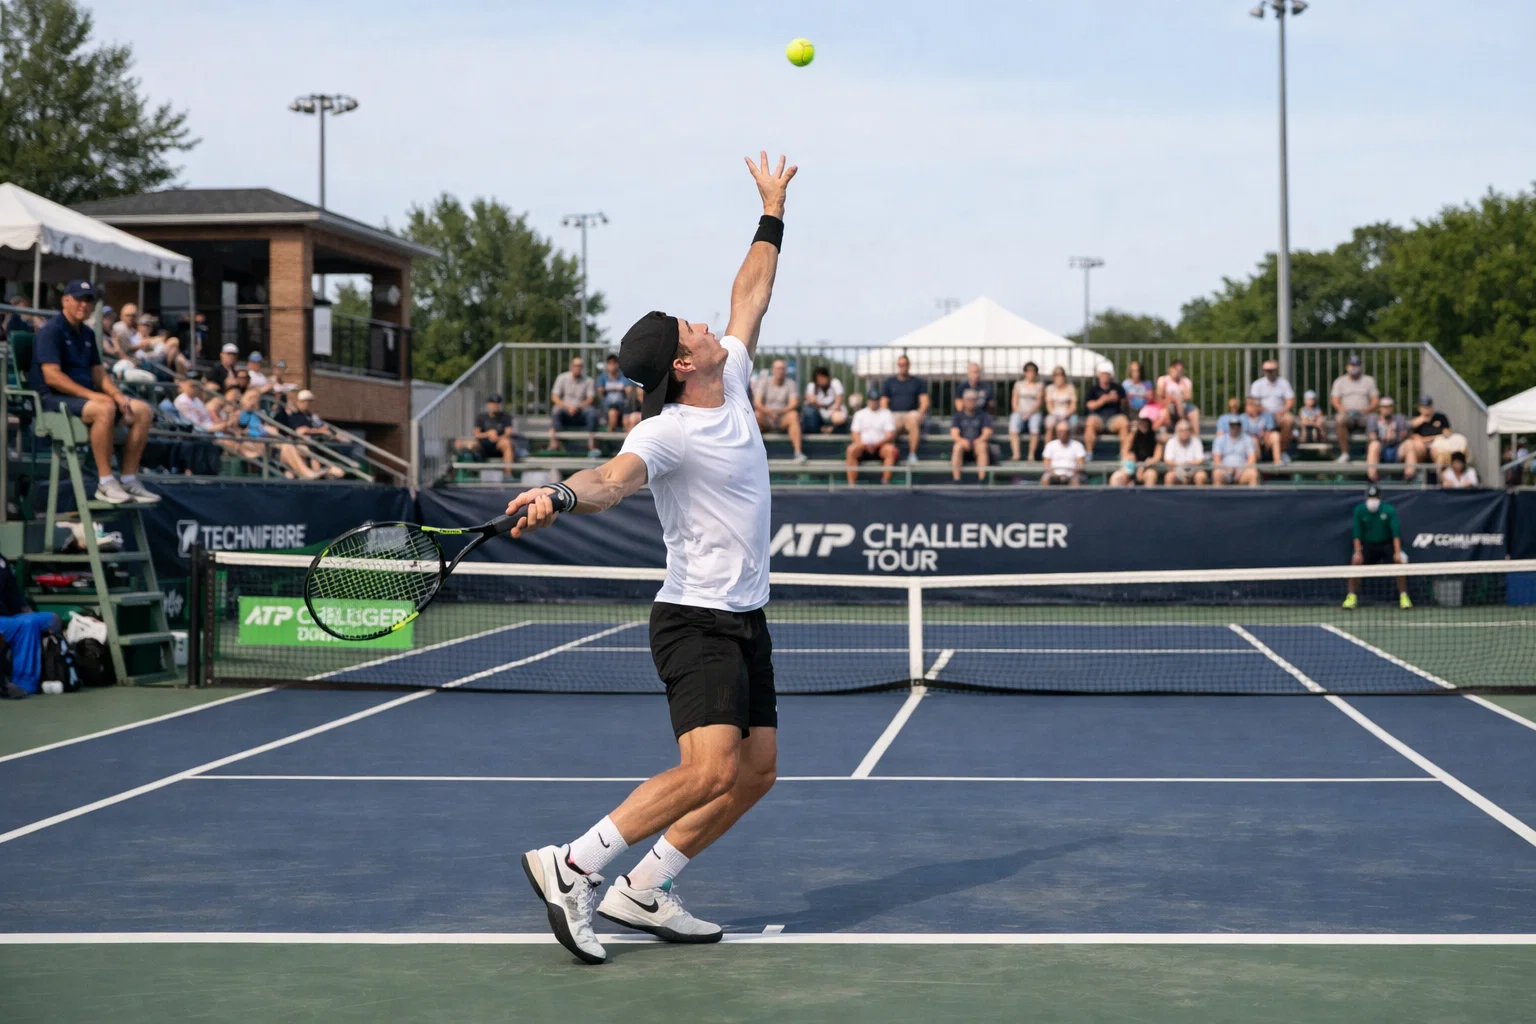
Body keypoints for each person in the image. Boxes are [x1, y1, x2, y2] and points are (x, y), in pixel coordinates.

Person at [508, 151, 796, 965]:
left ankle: (645, 888)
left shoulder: (730, 378)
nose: (707, 326)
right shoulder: (666, 432)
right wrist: (559, 494)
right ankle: (572, 865)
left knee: (756, 772)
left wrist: (772, 211)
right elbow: (610, 479)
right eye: (692, 330)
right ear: (681, 363)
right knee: (708, 771)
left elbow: (751, 294)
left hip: (745, 618)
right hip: (695, 621)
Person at [27, 281, 160, 505]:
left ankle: (128, 479)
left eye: (88, 300)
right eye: (78, 299)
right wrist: (95, 396)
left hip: (83, 399)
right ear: (65, 301)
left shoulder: (87, 333)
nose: (84, 304)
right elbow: (52, 377)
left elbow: (99, 374)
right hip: (53, 400)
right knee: (104, 408)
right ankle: (105, 482)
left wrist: (117, 395)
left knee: (142, 410)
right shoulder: (51, 331)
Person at [0, 556, 63, 697]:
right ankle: (24, 685)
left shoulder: (2, 562)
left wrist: (26, 610)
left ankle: (60, 669)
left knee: (51, 619)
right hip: (8, 622)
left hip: (7, 619)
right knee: (27, 625)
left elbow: (13, 596)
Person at [1345, 483, 1410, 609]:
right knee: (1355, 561)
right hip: (1368, 546)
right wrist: (1358, 552)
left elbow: (1395, 534)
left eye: (1375, 497)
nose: (1372, 500)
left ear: (1380, 498)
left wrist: (1397, 552)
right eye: (1370, 497)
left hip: (1387, 545)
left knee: (1400, 562)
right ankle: (1351, 597)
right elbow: (1357, 534)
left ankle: (1404, 596)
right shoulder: (1360, 510)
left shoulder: (1389, 510)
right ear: (1366, 498)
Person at [752, 358, 807, 463]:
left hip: (783, 417)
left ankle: (798, 453)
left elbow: (794, 403)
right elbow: (757, 403)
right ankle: (755, 453)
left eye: (782, 368)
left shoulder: (791, 383)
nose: (780, 371)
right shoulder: (764, 382)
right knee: (756, 415)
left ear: (785, 371)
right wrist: (770, 412)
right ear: (772, 370)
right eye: (778, 368)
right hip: (767, 417)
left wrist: (780, 412)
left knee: (793, 415)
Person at [1330, 354, 1379, 462]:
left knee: (1374, 419)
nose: (1354, 367)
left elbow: (1375, 400)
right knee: (1339, 419)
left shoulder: (1369, 380)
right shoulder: (1340, 381)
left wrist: (1367, 410)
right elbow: (1334, 400)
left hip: (1364, 414)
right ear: (1347, 366)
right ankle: (1345, 453)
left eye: (1357, 365)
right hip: (1347, 414)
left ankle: (1371, 454)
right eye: (1352, 365)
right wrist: (1342, 410)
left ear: (1361, 366)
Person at [881, 355, 929, 464]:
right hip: (895, 415)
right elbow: (883, 402)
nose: (902, 367)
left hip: (911, 414)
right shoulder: (889, 382)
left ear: (909, 365)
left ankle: (912, 454)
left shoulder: (918, 382)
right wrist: (886, 415)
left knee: (913, 419)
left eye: (904, 364)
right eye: (900, 365)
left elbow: (924, 402)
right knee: (890, 423)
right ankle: (892, 455)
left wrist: (919, 414)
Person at [455, 394, 519, 473]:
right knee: (463, 443)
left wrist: (497, 438)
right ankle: (460, 472)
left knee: (507, 443)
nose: (495, 405)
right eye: (493, 403)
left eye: (497, 403)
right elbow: (476, 434)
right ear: (488, 404)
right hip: (483, 445)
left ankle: (508, 474)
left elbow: (508, 433)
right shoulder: (481, 417)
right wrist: (488, 434)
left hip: (499, 445)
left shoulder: (505, 417)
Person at [549, 356, 600, 455]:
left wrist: (578, 407)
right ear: (571, 366)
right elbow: (554, 397)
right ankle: (557, 443)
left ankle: (591, 444)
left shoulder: (588, 380)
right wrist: (568, 407)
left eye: (580, 366)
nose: (577, 368)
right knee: (556, 410)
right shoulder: (562, 378)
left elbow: (590, 399)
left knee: (592, 412)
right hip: (565, 409)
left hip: (581, 410)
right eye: (575, 365)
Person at [847, 390, 899, 484]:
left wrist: (876, 445)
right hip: (863, 447)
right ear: (868, 400)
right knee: (851, 450)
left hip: (880, 447)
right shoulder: (860, 414)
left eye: (875, 400)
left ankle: (885, 482)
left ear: (879, 400)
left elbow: (889, 435)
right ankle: (851, 484)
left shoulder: (887, 413)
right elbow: (855, 433)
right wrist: (863, 445)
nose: (873, 402)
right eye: (871, 400)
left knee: (890, 450)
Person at [1248, 359, 1295, 459]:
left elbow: (1290, 400)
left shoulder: (1283, 383)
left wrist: (1282, 411)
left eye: (1271, 370)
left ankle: (1282, 451)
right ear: (1263, 371)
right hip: (1262, 415)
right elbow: (1253, 402)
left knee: (1289, 420)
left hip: (1280, 414)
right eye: (1267, 370)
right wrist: (1266, 412)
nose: (1269, 372)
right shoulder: (1257, 384)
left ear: (1276, 370)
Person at [1365, 396, 1417, 482]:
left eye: (1389, 406)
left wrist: (1395, 436)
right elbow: (1371, 436)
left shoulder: (1399, 418)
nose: (1387, 409)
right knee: (1374, 445)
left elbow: (1403, 434)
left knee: (1409, 443)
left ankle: (1409, 475)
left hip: (1397, 448)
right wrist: (1383, 437)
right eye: (1384, 407)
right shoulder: (1374, 418)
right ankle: (1372, 477)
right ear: (1380, 408)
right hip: (1381, 449)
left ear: (1393, 407)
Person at [1082, 360, 1127, 456]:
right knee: (1090, 422)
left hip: (1114, 418)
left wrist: (1118, 399)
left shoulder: (1118, 388)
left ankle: (1124, 453)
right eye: (1102, 374)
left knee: (1124, 422)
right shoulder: (1093, 389)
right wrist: (1103, 400)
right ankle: (1089, 453)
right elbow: (1089, 405)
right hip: (1098, 418)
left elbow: (1125, 404)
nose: (1104, 377)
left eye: (1107, 374)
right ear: (1099, 375)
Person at [949, 388, 994, 482]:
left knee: (982, 446)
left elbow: (987, 432)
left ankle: (982, 479)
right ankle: (956, 479)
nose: (971, 402)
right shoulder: (957, 416)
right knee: (957, 447)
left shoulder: (984, 415)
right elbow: (954, 434)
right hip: (964, 445)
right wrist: (962, 441)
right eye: (968, 400)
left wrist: (978, 441)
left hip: (978, 444)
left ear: (977, 401)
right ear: (964, 401)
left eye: (973, 400)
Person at [1109, 415, 1162, 487]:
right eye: (1141, 423)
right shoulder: (1133, 436)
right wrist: (1131, 462)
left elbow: (1156, 457)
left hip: (1146, 469)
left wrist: (1145, 465)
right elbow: (1124, 452)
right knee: (1116, 477)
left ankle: (1148, 494)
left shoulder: (1155, 439)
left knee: (1151, 475)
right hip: (1131, 467)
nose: (1143, 426)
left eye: (1146, 423)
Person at [1008, 361, 1045, 461]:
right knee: (1013, 425)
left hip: (1034, 413)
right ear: (1025, 372)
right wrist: (1020, 412)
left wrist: (1029, 414)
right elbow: (1014, 402)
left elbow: (1039, 403)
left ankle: (1031, 455)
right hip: (1019, 412)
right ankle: (1016, 454)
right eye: (1028, 371)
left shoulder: (1040, 385)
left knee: (1035, 428)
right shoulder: (1018, 385)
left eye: (1033, 371)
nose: (1030, 373)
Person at [1211, 415, 1260, 487]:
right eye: (1232, 425)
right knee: (1216, 474)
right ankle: (1217, 494)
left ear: (1240, 426)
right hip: (1225, 470)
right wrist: (1226, 469)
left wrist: (1241, 469)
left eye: (1237, 425)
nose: (1235, 427)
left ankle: (1253, 494)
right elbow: (1216, 460)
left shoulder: (1247, 439)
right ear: (1229, 426)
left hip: (1242, 470)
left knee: (1253, 474)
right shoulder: (1220, 439)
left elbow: (1252, 459)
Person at [597, 354, 640, 433]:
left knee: (627, 420)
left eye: (614, 363)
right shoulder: (603, 378)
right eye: (610, 363)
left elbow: (629, 392)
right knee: (613, 413)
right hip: (607, 408)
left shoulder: (623, 377)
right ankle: (610, 435)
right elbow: (600, 393)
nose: (612, 365)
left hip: (623, 407)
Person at [1155, 359, 1199, 435]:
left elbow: (1189, 397)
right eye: (1176, 369)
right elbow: (1159, 397)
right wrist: (1168, 397)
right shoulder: (1163, 380)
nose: (1178, 372)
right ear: (1170, 369)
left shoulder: (1186, 381)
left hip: (1183, 405)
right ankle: (1177, 426)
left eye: (1180, 370)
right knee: (1166, 410)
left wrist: (1181, 395)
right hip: (1167, 404)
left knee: (1194, 411)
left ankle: (1196, 436)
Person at [801, 366, 847, 434]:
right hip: (818, 413)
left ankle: (830, 429)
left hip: (833, 411)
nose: (821, 380)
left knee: (838, 417)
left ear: (827, 376)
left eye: (822, 377)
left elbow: (839, 398)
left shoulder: (835, 382)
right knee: (808, 410)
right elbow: (809, 398)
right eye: (818, 378)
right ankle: (818, 430)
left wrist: (833, 409)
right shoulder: (812, 386)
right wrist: (816, 403)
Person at [1162, 418, 1207, 486]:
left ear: (1190, 431)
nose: (1184, 433)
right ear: (1177, 431)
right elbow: (1168, 460)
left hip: (1193, 469)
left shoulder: (1196, 441)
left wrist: (1188, 464)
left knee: (1201, 476)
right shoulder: (1171, 442)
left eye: (1187, 430)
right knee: (1169, 477)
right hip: (1176, 469)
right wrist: (1181, 465)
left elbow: (1200, 459)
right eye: (1182, 430)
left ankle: (1199, 493)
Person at [1039, 419, 1085, 486]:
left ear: (1068, 432)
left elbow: (1081, 464)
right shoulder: (1050, 445)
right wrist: (1054, 474)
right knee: (1045, 479)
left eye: (1064, 431)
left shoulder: (1077, 445)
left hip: (1072, 474)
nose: (1061, 433)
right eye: (1059, 431)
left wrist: (1071, 473)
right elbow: (1046, 463)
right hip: (1053, 473)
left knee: (1076, 479)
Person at [1239, 395, 1282, 464]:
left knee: (1275, 435)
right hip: (1250, 443)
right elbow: (1243, 435)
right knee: (1253, 440)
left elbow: (1268, 431)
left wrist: (1262, 440)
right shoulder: (1242, 418)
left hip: (1264, 441)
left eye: (1250, 405)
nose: (1248, 407)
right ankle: (1254, 463)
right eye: (1247, 405)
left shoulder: (1267, 415)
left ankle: (1277, 462)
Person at [1042, 365, 1077, 436]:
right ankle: (1048, 443)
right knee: (1049, 425)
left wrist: (1065, 415)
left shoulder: (1071, 388)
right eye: (1057, 376)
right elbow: (1049, 406)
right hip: (1054, 414)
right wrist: (1056, 414)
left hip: (1068, 414)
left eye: (1061, 376)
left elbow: (1073, 406)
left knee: (1071, 425)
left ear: (1064, 377)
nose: (1059, 379)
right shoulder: (1049, 388)